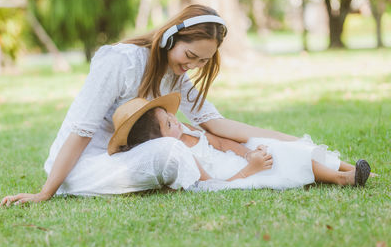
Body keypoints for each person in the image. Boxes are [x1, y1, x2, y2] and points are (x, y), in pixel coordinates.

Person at [0, 4, 366, 206]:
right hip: (85, 166)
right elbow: (81, 130)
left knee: (253, 146)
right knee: (171, 150)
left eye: (202, 62)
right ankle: (227, 184)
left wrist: (284, 139)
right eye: (190, 55)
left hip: (129, 157)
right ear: (170, 37)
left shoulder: (175, 74)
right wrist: (45, 192)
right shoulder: (119, 60)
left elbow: (216, 124)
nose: (192, 66)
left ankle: (340, 169)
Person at [106, 92, 371, 191]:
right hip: (232, 174)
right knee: (280, 159)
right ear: (158, 143)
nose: (175, 121)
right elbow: (209, 186)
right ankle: (342, 179)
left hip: (237, 160)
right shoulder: (179, 156)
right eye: (167, 125)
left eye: (169, 116)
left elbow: (220, 143)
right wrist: (249, 169)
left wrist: (247, 153)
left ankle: (347, 169)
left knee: (276, 146)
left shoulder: (185, 130)